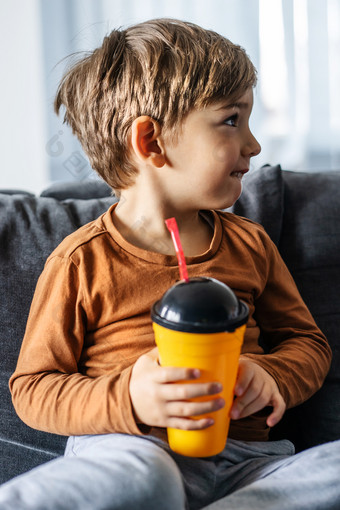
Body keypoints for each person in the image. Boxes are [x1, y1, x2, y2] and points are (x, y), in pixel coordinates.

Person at [0, 18, 338, 510]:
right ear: (152, 142)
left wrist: (274, 375)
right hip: (130, 450)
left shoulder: (251, 244)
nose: (254, 144)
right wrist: (130, 397)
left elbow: (308, 343)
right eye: (231, 120)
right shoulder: (81, 260)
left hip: (247, 465)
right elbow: (32, 389)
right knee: (146, 479)